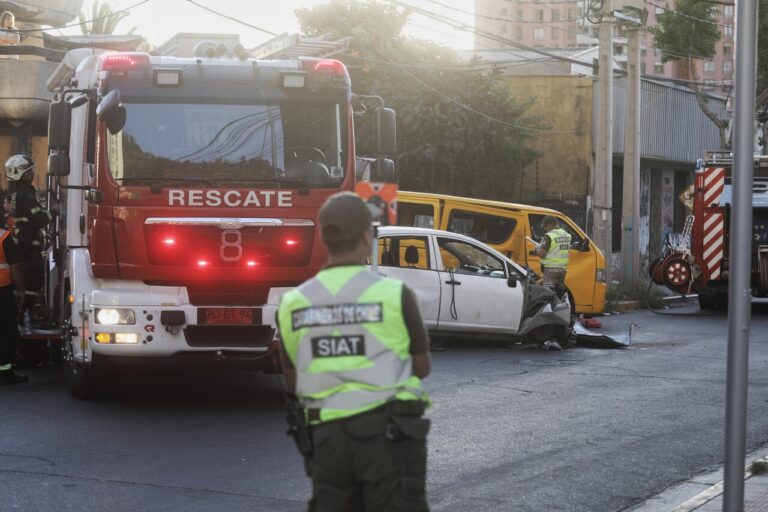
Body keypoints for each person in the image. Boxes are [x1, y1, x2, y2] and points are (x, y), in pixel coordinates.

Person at [277, 191, 432, 512]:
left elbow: (292, 381)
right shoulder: (395, 294)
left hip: (327, 440)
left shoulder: (293, 303)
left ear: (323, 237)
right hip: (390, 437)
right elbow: (421, 366)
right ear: (367, 236)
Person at [4, 155, 51, 301]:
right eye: (29, 171)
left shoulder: (16, 192)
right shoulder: (26, 193)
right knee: (34, 282)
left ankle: (24, 314)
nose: (32, 174)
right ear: (21, 174)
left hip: (23, 243)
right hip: (30, 246)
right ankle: (26, 314)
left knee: (29, 281)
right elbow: (38, 219)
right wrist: (55, 211)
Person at [0, 222, 27, 384]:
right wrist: (21, 290)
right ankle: (5, 371)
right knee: (6, 330)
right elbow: (15, 266)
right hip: (2, 290)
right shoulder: (4, 236)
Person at [535, 215, 572, 289]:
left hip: (551, 269)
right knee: (559, 291)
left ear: (549, 225)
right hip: (562, 269)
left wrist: (537, 249)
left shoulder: (549, 236)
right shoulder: (567, 235)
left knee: (549, 292)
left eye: (545, 226)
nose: (545, 229)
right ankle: (560, 300)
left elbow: (542, 254)